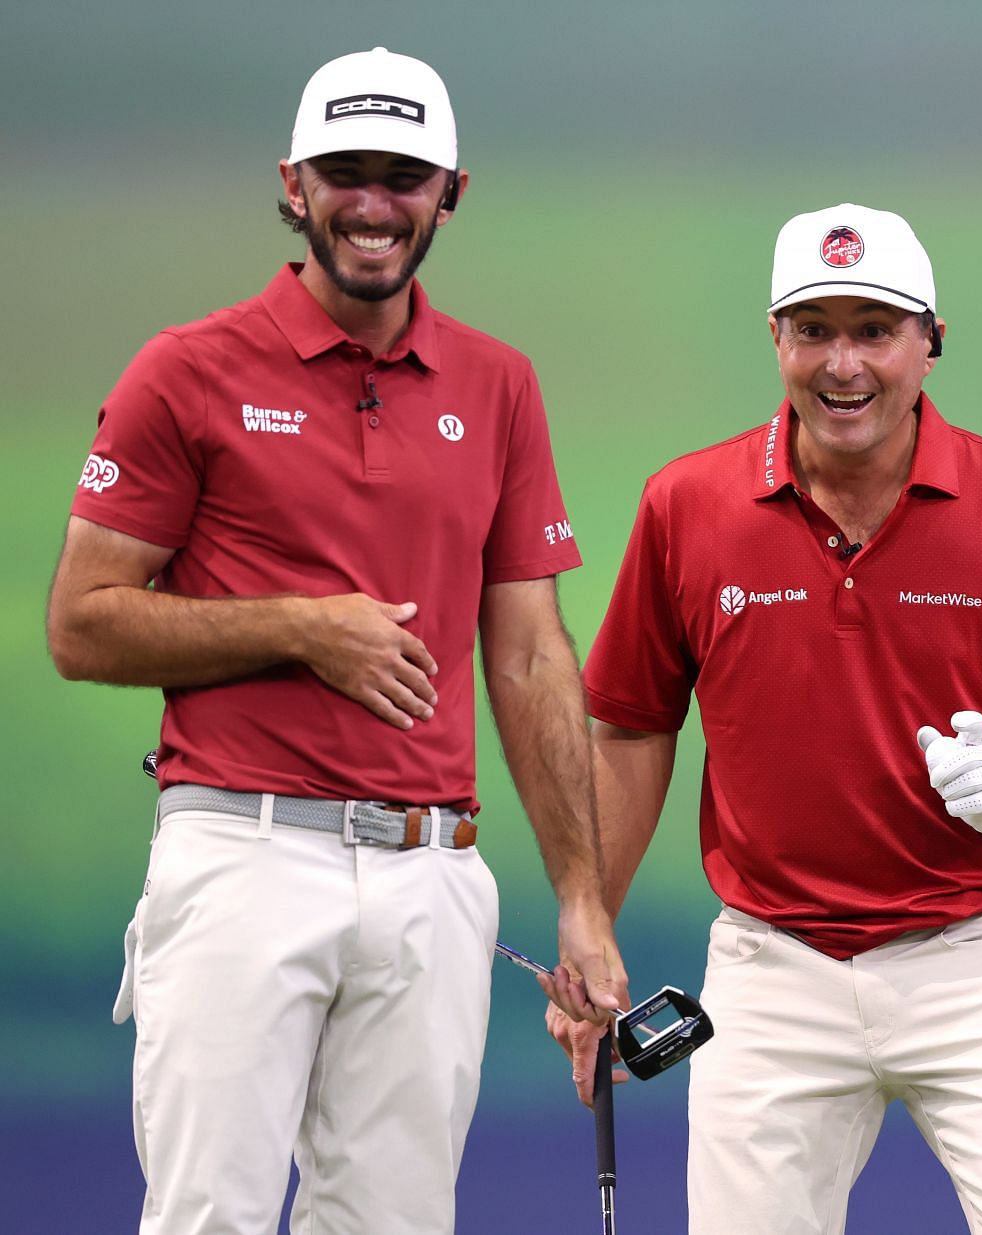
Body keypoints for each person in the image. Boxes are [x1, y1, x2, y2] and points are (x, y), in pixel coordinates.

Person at [45, 47, 627, 1235]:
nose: (373, 202)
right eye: (344, 173)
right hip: (241, 852)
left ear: (450, 191)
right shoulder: (187, 369)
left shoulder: (498, 383)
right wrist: (302, 628)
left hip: (433, 871)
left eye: (403, 176)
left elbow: (527, 654)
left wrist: (581, 891)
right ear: (293, 184)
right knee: (211, 1213)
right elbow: (80, 620)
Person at [554, 203, 982, 1235]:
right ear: (775, 339)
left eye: (874, 329)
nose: (844, 363)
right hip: (771, 965)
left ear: (931, 343)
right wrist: (589, 923)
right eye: (814, 328)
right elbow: (634, 727)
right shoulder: (686, 505)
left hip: (979, 957)